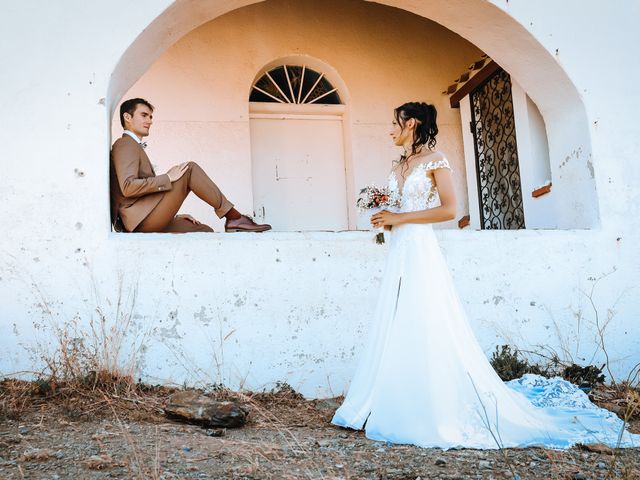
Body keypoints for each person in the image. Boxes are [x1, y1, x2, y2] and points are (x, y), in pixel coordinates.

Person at [332, 102, 639, 449]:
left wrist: (400, 219)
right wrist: (385, 216)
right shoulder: (399, 165)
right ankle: (386, 397)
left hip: (420, 249)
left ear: (412, 124)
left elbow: (449, 209)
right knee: (396, 315)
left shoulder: (437, 160)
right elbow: (402, 208)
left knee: (425, 316)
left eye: (394, 122)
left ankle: (428, 406)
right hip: (399, 249)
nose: (389, 129)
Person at [110, 98, 271, 233]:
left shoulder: (133, 146)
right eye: (144, 115)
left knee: (203, 230)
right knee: (189, 169)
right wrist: (167, 178)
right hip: (139, 220)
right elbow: (128, 186)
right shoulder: (126, 144)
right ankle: (234, 217)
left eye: (151, 117)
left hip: (145, 219)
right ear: (127, 117)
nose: (150, 121)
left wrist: (172, 215)